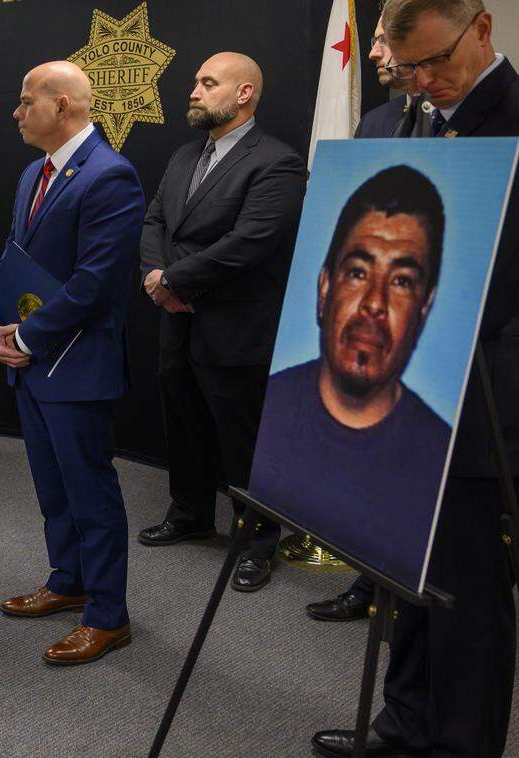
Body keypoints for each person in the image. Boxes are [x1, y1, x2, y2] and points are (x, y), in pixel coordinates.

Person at [311, 1, 518, 756]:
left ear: (483, 28)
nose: (423, 81)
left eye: (436, 62)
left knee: (470, 598)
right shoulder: (384, 125)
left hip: (486, 402)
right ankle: (402, 727)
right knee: (407, 575)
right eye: (410, 67)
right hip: (398, 392)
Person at [0, 61, 144, 665]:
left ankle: (108, 615)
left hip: (76, 365)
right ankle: (68, 579)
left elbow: (95, 283)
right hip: (32, 361)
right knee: (53, 487)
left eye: (28, 102)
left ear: (65, 106)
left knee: (90, 491)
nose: (17, 113)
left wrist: (25, 338)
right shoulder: (33, 174)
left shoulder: (110, 176)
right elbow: (13, 258)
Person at [136, 52, 306, 592]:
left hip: (236, 326)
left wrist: (173, 281)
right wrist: (154, 277)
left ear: (244, 94)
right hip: (178, 320)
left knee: (242, 438)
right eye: (195, 81)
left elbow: (249, 244)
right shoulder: (186, 154)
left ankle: (257, 542)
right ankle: (189, 514)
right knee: (182, 420)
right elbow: (156, 218)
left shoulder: (277, 162)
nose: (194, 90)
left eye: (208, 83)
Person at [252, 165, 452, 587]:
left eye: (401, 281)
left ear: (425, 308)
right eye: (358, 273)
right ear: (325, 288)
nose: (374, 304)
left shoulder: (439, 450)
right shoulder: (272, 407)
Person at [307, 12, 434, 623]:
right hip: (368, 325)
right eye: (376, 38)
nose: (376, 50)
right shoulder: (377, 122)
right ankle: (368, 582)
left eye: (384, 39)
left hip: (436, 333)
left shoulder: (466, 120)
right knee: (371, 462)